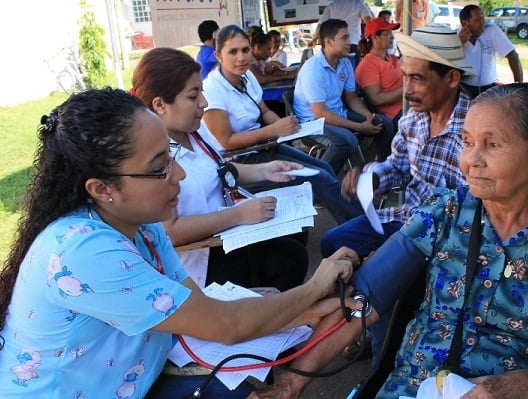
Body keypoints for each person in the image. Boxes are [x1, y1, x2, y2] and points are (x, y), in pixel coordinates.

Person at [0, 87, 359, 398]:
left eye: (172, 156)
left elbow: (198, 306)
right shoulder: (82, 251)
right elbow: (225, 324)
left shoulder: (141, 223)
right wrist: (314, 287)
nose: (179, 174)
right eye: (159, 167)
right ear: (102, 189)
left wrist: (297, 312)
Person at [250, 82, 528, 399]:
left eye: (493, 144)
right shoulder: (445, 212)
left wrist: (526, 384)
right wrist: (291, 383)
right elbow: (364, 299)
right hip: (415, 386)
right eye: (468, 142)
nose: (471, 160)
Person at [320, 23, 472, 362]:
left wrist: (392, 249)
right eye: (405, 76)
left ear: (452, 79)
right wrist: (371, 177)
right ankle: (363, 329)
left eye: (418, 78)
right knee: (332, 243)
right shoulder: (414, 119)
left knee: (375, 278)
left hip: (441, 234)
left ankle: (380, 350)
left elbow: (468, 208)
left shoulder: (474, 130)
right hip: (406, 212)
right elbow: (399, 166)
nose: (408, 88)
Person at [131, 47, 308, 292]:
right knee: (288, 258)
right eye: (193, 96)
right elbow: (170, 232)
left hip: (226, 234)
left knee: (297, 236)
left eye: (201, 92)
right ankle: (260, 322)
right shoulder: (152, 158)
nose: (204, 103)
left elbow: (218, 168)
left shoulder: (193, 131)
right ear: (160, 105)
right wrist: (239, 215)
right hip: (199, 261)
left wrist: (265, 170)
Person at [201, 25, 363, 225]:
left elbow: (265, 111)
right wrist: (273, 130)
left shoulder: (247, 77)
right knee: (318, 177)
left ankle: (354, 227)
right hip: (241, 161)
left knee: (324, 169)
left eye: (245, 50)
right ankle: (363, 228)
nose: (241, 58)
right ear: (218, 55)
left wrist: (286, 126)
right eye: (232, 52)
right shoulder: (212, 89)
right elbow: (226, 141)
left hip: (264, 146)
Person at [294, 19, 387, 174]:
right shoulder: (313, 69)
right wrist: (360, 127)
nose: (350, 42)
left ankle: (385, 174)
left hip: (337, 113)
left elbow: (351, 98)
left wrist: (368, 116)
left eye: (349, 37)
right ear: (329, 42)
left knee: (383, 123)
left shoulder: (345, 62)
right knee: (346, 141)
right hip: (313, 123)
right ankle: (317, 183)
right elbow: (320, 113)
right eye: (344, 38)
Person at [355, 17, 403, 160]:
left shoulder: (391, 58)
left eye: (391, 33)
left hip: (408, 105)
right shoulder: (368, 65)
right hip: (393, 113)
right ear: (374, 37)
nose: (392, 37)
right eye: (387, 34)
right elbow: (377, 99)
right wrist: (406, 89)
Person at [459, 4, 523, 99]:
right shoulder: (457, 35)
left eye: (483, 18)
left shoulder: (491, 31)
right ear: (465, 23)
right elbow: (445, 62)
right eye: (477, 20)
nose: (482, 23)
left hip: (489, 88)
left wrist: (519, 86)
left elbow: (513, 55)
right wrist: (459, 43)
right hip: (464, 88)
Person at [308, 0, 373, 66]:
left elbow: (321, 24)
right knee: (355, 70)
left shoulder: (332, 5)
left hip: (336, 45)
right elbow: (368, 20)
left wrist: (314, 39)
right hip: (353, 42)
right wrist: (371, 38)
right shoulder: (358, 3)